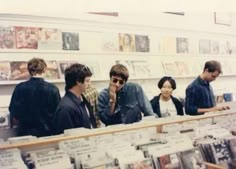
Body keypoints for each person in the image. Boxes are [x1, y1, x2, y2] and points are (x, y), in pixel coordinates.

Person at [9, 58, 61, 137]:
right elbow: (58, 113)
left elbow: (13, 111)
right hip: (47, 133)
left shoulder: (20, 87)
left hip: (25, 133)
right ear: (44, 70)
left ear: (29, 70)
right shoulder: (52, 89)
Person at [53, 63, 97, 134]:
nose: (90, 84)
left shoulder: (82, 98)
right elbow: (67, 137)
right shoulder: (66, 108)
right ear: (78, 81)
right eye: (87, 81)